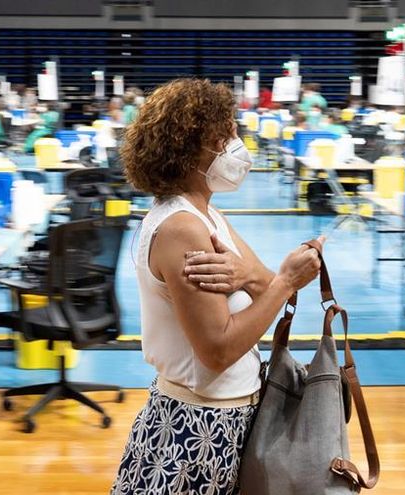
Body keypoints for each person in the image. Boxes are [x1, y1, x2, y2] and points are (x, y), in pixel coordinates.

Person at [111, 78, 322, 495]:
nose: (235, 144)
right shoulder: (182, 228)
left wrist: (260, 279)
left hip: (227, 422)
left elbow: (262, 286)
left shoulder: (206, 214)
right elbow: (218, 351)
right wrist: (285, 281)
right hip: (195, 432)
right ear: (190, 149)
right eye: (224, 136)